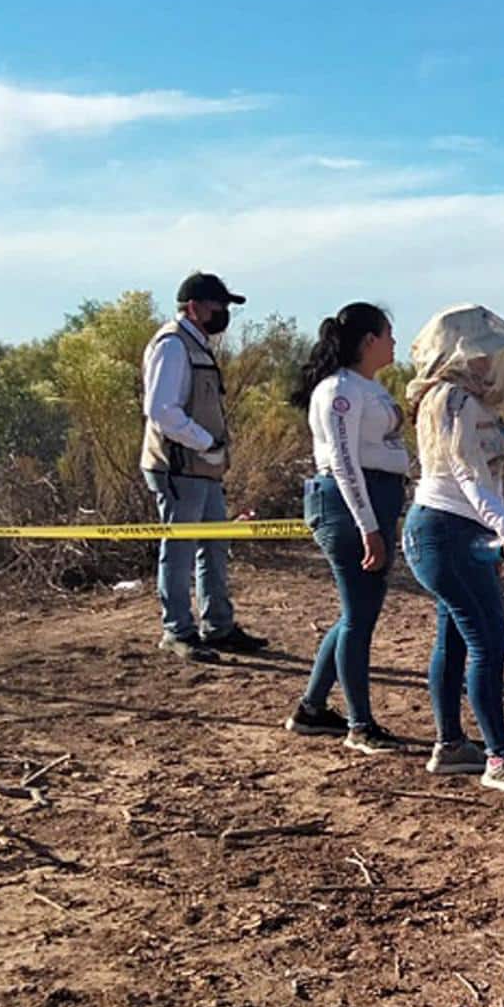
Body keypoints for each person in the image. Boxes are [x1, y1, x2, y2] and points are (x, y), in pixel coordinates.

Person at [402, 304, 504, 795]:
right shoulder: (451, 401)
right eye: (482, 355)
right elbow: (467, 474)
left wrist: (497, 527)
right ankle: (499, 757)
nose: (490, 364)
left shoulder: (458, 401)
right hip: (445, 532)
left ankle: (451, 745)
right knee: (488, 641)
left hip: (457, 532)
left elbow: (482, 476)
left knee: (457, 638)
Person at [285, 304, 415, 753]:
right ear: (368, 341)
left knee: (356, 614)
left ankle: (312, 709)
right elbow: (342, 460)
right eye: (388, 334)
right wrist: (368, 526)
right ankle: (360, 726)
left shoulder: (367, 387)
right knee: (359, 618)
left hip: (374, 502)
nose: (395, 342)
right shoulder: (339, 389)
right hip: (347, 506)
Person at [138, 272, 269, 662]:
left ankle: (218, 626)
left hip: (202, 466)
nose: (224, 314)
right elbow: (161, 411)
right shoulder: (173, 345)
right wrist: (205, 442)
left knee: (213, 545)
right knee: (178, 549)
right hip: (180, 467)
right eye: (218, 307)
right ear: (194, 307)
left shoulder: (194, 344)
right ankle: (177, 630)